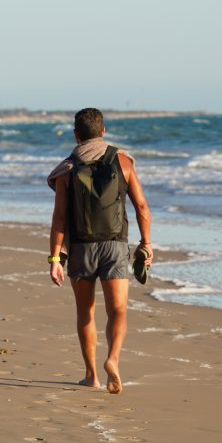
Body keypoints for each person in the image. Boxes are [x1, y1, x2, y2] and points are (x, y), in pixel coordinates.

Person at [47, 108, 153, 394]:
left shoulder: (67, 169)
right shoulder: (123, 162)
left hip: (81, 247)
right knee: (117, 310)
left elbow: (59, 218)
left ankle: (91, 375)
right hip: (115, 245)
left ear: (76, 134)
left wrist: (55, 257)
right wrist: (146, 243)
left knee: (85, 312)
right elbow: (142, 207)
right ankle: (113, 360)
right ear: (103, 130)